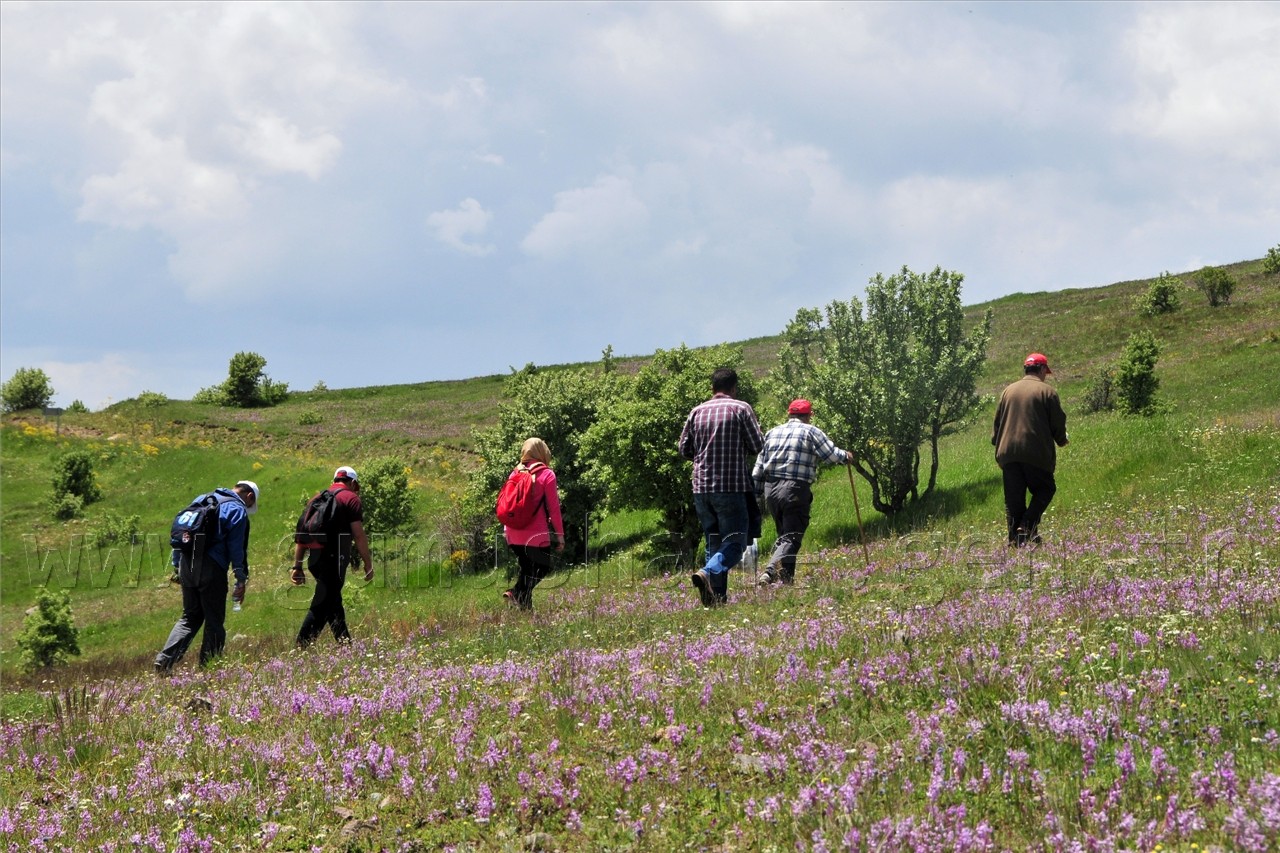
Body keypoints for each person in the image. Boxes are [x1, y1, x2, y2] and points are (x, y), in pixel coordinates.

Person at [679, 367, 765, 607]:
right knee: (736, 543)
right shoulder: (740, 408)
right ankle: (707, 572)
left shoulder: (696, 412)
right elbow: (758, 444)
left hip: (701, 489)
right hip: (731, 486)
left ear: (712, 388)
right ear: (734, 388)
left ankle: (716, 599)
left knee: (714, 542)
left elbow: (683, 449)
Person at [155, 480, 259, 672]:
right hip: (211, 566)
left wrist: (177, 565)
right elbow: (237, 549)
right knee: (214, 621)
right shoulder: (237, 510)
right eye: (251, 504)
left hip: (187, 563)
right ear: (250, 497)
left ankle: (164, 661)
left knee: (190, 617)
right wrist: (240, 578)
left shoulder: (202, 499)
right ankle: (209, 670)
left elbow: (182, 534)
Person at [752, 399, 851, 586]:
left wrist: (756, 497)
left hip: (770, 490)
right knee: (792, 536)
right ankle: (770, 572)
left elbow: (757, 469)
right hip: (794, 489)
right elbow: (830, 455)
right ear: (808, 415)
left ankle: (786, 582)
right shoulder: (811, 431)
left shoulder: (772, 433)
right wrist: (846, 456)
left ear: (789, 414)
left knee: (784, 535)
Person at [992, 353, 1069, 546]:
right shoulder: (1047, 391)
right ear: (1042, 369)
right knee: (1045, 489)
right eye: (1046, 372)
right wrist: (1061, 440)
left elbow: (998, 423)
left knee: (1014, 501)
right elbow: (1057, 423)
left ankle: (1016, 542)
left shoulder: (1008, 391)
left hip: (1008, 454)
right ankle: (1027, 525)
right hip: (1034, 452)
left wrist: (997, 441)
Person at [292, 466, 374, 646]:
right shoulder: (351, 498)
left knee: (333, 602)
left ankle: (345, 645)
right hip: (335, 559)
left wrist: (297, 566)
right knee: (321, 604)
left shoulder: (316, 498)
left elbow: (302, 535)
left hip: (314, 560)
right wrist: (368, 563)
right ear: (353, 483)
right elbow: (359, 535)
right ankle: (301, 646)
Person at [500, 437, 565, 610]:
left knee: (527, 570)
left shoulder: (515, 472)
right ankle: (515, 592)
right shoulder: (547, 474)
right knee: (543, 567)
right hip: (536, 534)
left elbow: (508, 503)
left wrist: (506, 530)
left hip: (513, 533)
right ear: (542, 452)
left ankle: (526, 614)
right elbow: (554, 509)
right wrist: (560, 536)